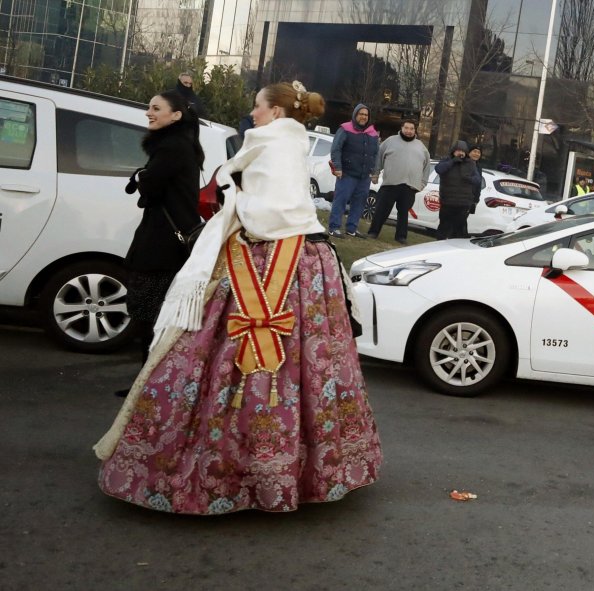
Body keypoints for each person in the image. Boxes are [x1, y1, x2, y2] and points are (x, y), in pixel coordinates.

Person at [94, 81, 383, 514]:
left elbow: (269, 211)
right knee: (311, 360)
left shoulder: (272, 143)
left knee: (211, 352)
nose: (253, 113)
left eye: (258, 107)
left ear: (277, 113)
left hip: (269, 255)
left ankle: (220, 469)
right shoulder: (290, 141)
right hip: (306, 259)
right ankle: (311, 468)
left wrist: (233, 208)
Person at [116, 89, 204, 397]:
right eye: (149, 106)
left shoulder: (172, 148)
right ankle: (148, 383)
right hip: (166, 243)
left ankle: (149, 387)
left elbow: (151, 188)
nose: (148, 112)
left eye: (156, 108)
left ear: (175, 115)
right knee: (154, 315)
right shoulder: (179, 146)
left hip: (161, 246)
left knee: (150, 315)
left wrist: (142, 178)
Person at [367, 119, 431, 245]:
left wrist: (423, 183)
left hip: (409, 186)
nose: (408, 131)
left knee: (403, 213)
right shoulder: (390, 141)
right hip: (390, 183)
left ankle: (401, 236)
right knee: (381, 210)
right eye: (406, 128)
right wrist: (375, 173)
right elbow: (378, 157)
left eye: (411, 129)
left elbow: (427, 166)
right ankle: (373, 232)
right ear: (402, 128)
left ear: (415, 130)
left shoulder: (421, 147)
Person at [328, 103, 379, 238]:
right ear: (355, 115)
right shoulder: (345, 129)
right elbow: (335, 149)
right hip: (347, 173)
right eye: (361, 114)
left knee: (360, 202)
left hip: (364, 176)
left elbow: (375, 153)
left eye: (366, 115)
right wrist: (338, 167)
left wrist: (374, 171)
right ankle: (334, 227)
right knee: (341, 200)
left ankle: (351, 228)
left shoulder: (372, 133)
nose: (363, 117)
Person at [435, 140, 480, 240]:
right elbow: (439, 169)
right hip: (447, 201)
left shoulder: (471, 164)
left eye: (463, 151)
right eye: (458, 151)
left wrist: (469, 179)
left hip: (463, 204)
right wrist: (453, 161)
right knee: (443, 228)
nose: (461, 153)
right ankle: (438, 247)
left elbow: (477, 180)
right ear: (453, 151)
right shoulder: (446, 161)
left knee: (458, 231)